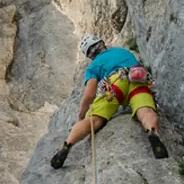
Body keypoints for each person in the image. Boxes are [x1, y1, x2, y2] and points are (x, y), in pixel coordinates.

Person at [50, 34, 167, 169]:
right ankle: (152, 131)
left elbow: (89, 94)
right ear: (102, 43)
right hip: (137, 77)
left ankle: (67, 144)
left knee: (95, 120)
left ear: (90, 55)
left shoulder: (93, 66)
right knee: (145, 109)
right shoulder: (123, 51)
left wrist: (81, 117)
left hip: (115, 82)